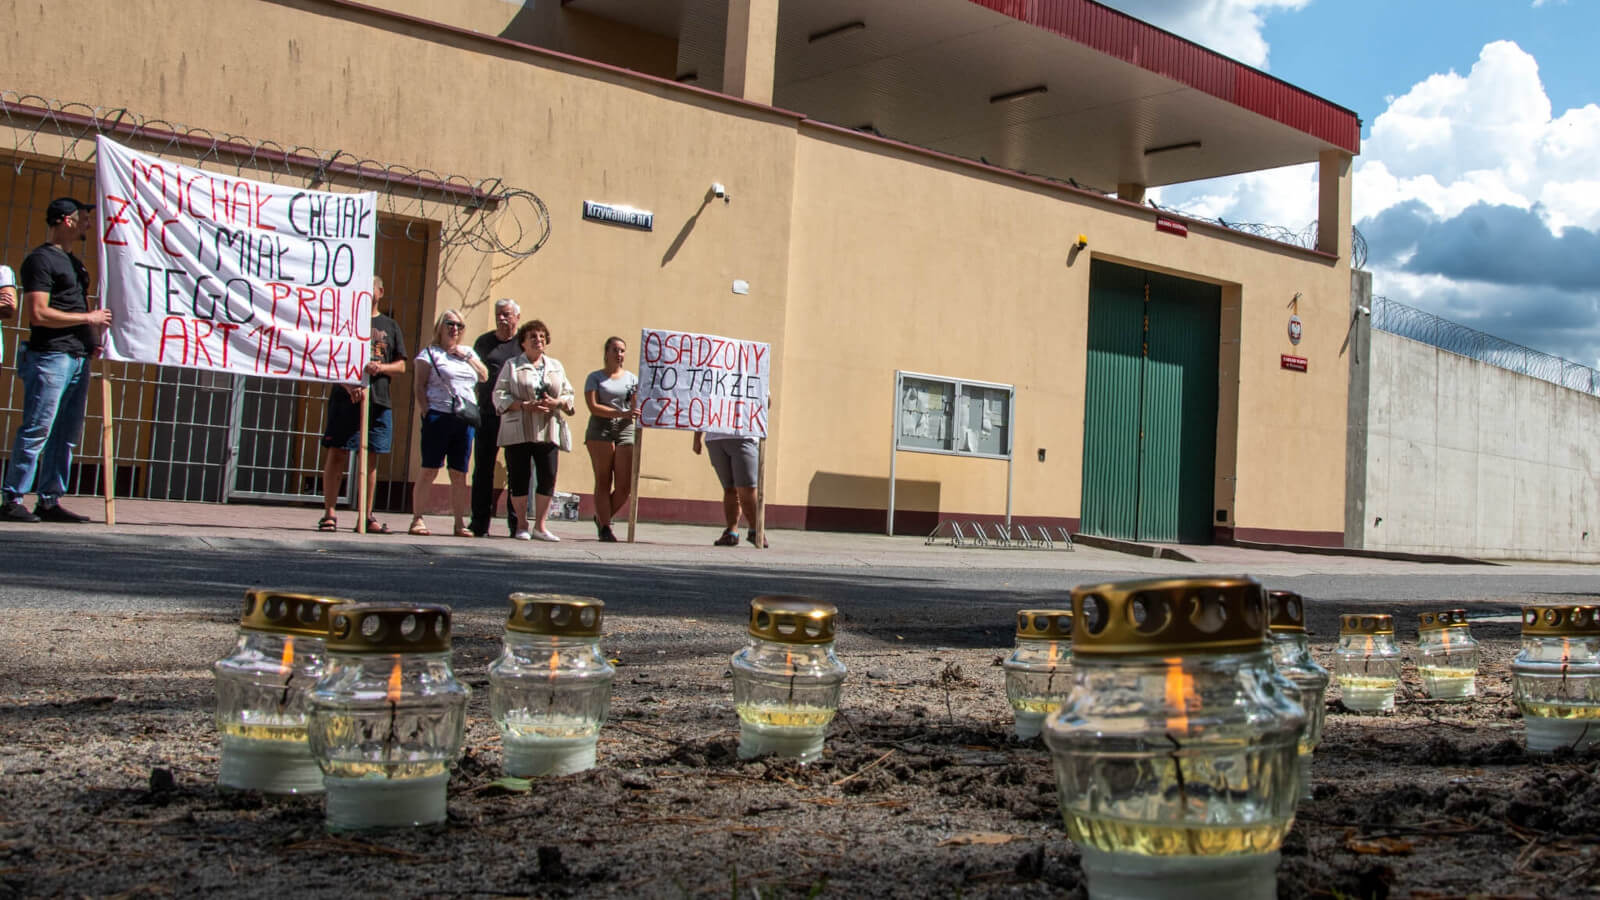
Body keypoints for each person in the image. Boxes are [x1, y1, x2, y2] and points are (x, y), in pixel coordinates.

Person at [1, 198, 112, 524]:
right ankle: (12, 497)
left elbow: (76, 310)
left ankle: (49, 499)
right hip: (50, 357)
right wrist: (88, 317)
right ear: (66, 220)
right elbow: (38, 314)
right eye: (84, 218)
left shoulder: (76, 264)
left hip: (77, 358)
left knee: (65, 433)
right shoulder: (40, 260)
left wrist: (91, 341)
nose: (88, 224)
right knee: (38, 429)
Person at [315, 275, 407, 534]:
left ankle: (365, 515)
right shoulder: (344, 321)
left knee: (371, 456)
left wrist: (381, 367)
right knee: (337, 451)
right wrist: (347, 384)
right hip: (346, 397)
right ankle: (329, 512)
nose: (366, 293)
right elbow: (328, 359)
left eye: (371, 289)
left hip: (378, 398)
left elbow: (401, 365)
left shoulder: (389, 325)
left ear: (380, 291)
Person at [492, 319, 575, 542]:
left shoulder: (556, 366)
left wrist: (556, 402)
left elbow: (569, 394)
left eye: (541, 337)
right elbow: (498, 394)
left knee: (547, 476)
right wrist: (522, 405)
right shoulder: (512, 365)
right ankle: (521, 524)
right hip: (518, 429)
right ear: (523, 343)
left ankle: (540, 525)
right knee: (519, 477)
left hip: (548, 429)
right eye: (533, 337)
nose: (538, 340)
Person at [409, 309, 487, 537]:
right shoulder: (430, 354)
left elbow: (484, 376)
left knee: (459, 472)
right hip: (439, 415)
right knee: (429, 469)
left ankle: (459, 522)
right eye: (450, 324)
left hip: (464, 419)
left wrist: (469, 358)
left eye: (459, 326)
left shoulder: (468, 352)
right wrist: (425, 411)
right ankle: (418, 519)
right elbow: (419, 386)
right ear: (440, 327)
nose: (454, 329)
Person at [467, 298, 523, 537]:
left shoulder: (523, 344)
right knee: (483, 469)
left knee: (517, 470)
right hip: (487, 415)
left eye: (507, 314)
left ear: (517, 318)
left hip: (514, 416)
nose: (502, 318)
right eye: (499, 314)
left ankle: (517, 524)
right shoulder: (484, 342)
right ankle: (479, 523)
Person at [583, 336, 639, 542]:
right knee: (603, 479)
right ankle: (606, 527)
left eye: (622, 350)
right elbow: (593, 406)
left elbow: (635, 405)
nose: (619, 354)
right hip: (601, 428)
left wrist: (634, 408)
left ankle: (602, 517)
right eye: (615, 350)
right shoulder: (595, 377)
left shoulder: (632, 379)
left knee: (624, 485)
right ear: (606, 353)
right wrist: (621, 413)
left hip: (625, 428)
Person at [691, 431, 766, 547]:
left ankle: (755, 530)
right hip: (715, 438)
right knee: (729, 488)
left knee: (747, 488)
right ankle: (731, 532)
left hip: (743, 436)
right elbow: (703, 412)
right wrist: (697, 438)